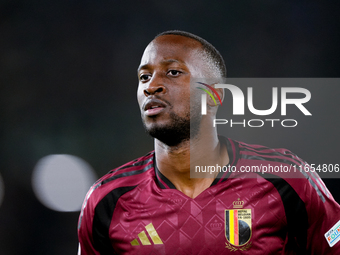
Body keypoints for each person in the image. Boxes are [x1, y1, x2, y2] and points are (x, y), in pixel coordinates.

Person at [77, 30, 340, 254]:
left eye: (172, 72)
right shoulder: (106, 201)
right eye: (144, 77)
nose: (151, 86)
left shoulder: (286, 179)